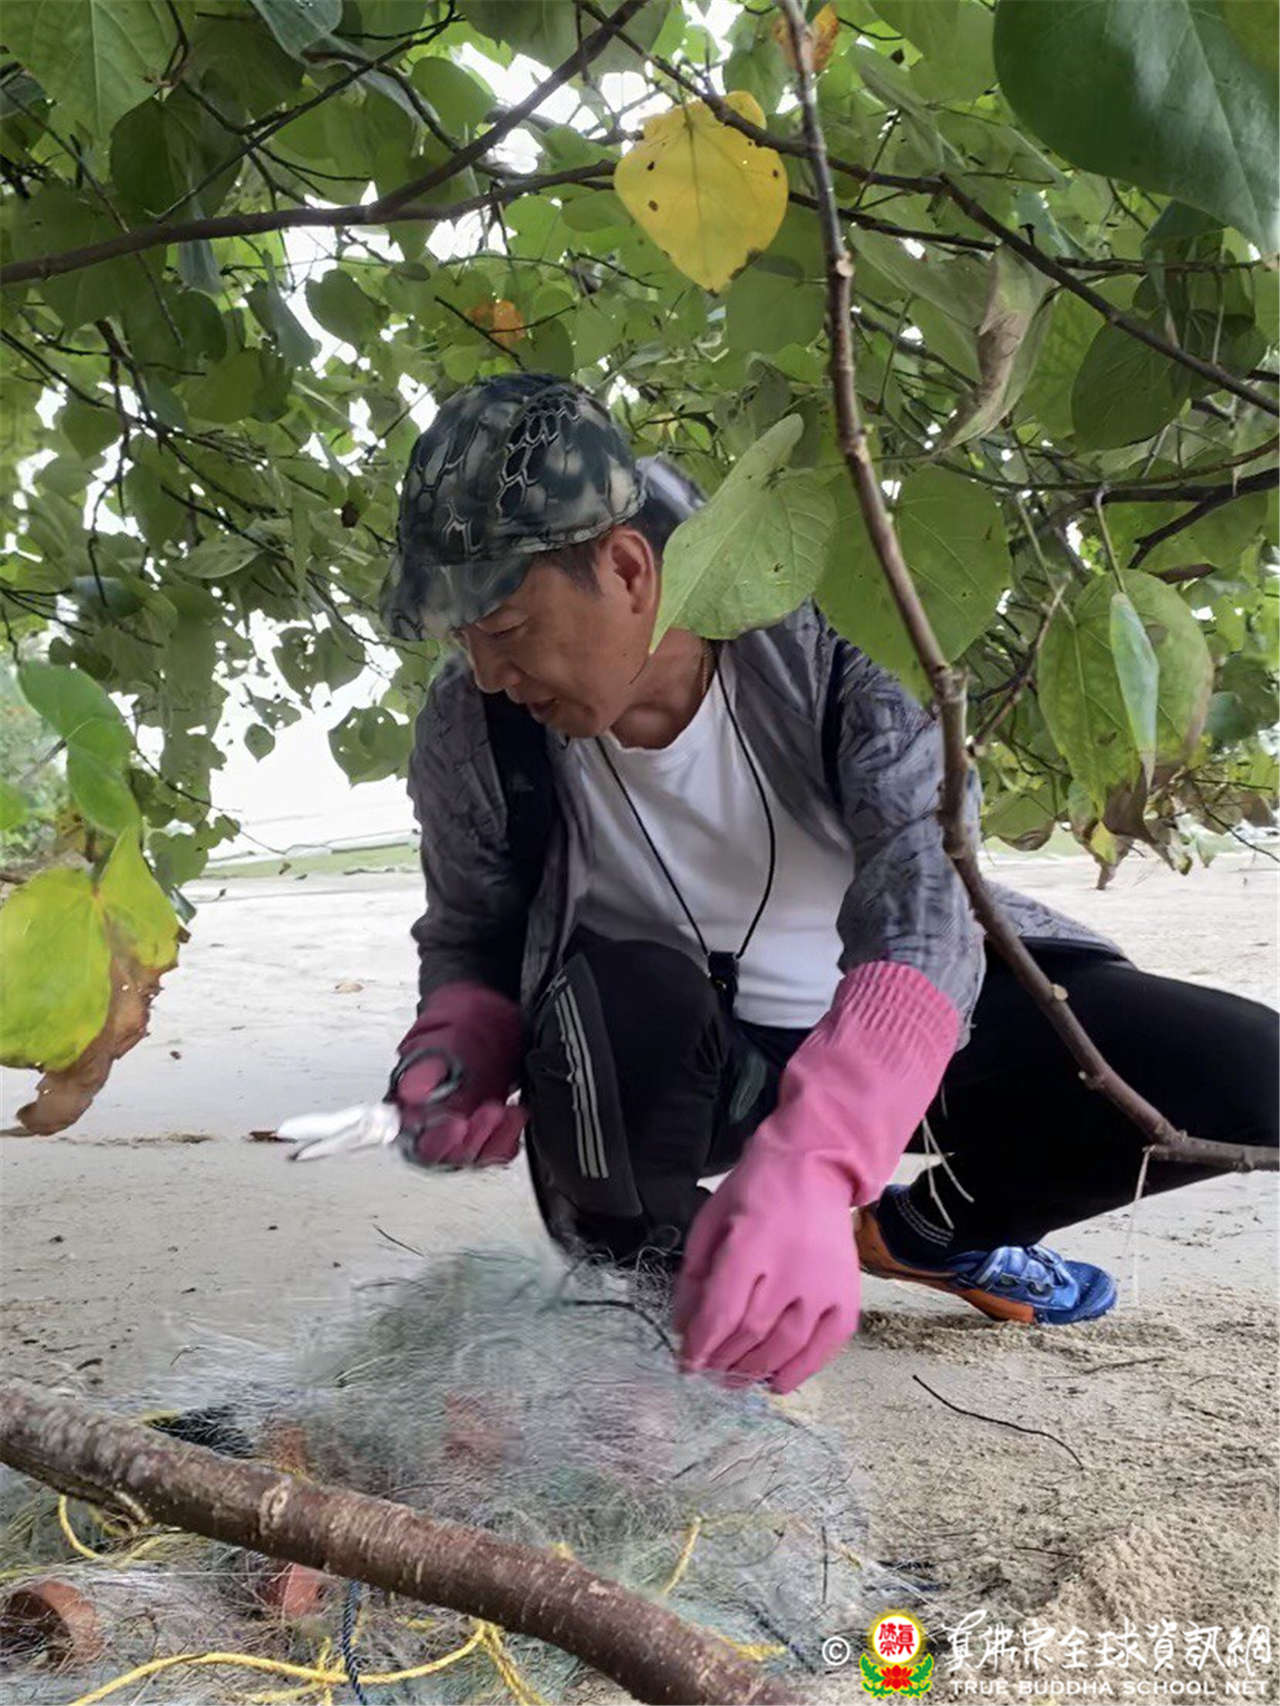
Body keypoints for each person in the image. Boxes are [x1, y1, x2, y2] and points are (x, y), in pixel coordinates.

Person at [377, 372, 1277, 1396]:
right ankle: (654, 1323)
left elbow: (924, 903)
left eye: (502, 630)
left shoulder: (844, 630)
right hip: (685, 1071)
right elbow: (472, 929)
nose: (488, 675)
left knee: (1250, 1077)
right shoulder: (470, 725)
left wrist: (814, 1163)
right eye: (461, 642)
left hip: (905, 1042)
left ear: (627, 568)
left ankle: (921, 1234)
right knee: (608, 1001)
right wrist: (461, 1035)